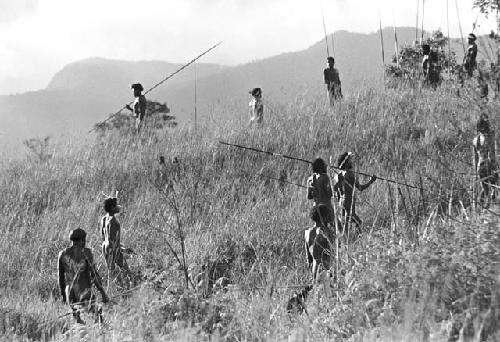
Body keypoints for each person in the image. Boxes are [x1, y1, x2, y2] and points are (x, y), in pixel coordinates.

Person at [58, 228, 109, 324]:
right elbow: (93, 275)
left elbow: (60, 279)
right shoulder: (86, 252)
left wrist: (64, 297)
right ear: (82, 240)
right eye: (84, 240)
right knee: (98, 320)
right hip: (84, 292)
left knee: (78, 324)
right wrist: (103, 293)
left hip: (70, 294)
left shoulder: (62, 254)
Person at [333, 152, 376, 237]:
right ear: (346, 162)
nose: (351, 162)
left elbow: (335, 190)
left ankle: (346, 240)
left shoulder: (337, 174)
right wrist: (371, 181)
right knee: (356, 223)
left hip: (341, 202)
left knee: (344, 222)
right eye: (350, 160)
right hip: (348, 201)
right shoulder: (350, 174)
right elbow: (360, 187)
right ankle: (355, 241)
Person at [306, 158, 338, 242]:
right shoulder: (326, 178)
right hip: (326, 208)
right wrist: (337, 184)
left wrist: (314, 191)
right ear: (322, 167)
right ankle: (336, 246)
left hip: (316, 209)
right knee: (337, 227)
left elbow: (309, 197)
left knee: (317, 228)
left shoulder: (310, 180)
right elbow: (330, 193)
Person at [100, 197, 132, 275]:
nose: (118, 206)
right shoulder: (113, 221)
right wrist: (123, 249)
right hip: (112, 248)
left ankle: (111, 286)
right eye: (116, 205)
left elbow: (103, 236)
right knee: (127, 272)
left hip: (104, 246)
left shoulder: (104, 219)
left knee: (111, 272)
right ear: (112, 207)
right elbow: (113, 239)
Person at [473, 114, 498, 207]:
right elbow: (492, 154)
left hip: (481, 166)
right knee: (494, 187)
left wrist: (475, 170)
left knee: (486, 189)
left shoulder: (475, 140)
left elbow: (475, 157)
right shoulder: (490, 137)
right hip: (490, 165)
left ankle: (485, 208)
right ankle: (489, 207)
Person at [304, 204, 332, 282]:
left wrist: (312, 275)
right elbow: (333, 253)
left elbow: (309, 259)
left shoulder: (307, 233)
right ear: (324, 217)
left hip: (315, 270)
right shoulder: (326, 232)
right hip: (326, 271)